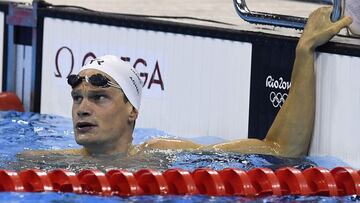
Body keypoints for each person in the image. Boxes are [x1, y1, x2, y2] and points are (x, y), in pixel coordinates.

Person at [25, 7, 353, 157]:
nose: (82, 108)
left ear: (132, 111)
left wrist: (304, 51)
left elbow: (282, 151)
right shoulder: (41, 164)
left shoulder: (163, 157)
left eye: (99, 97)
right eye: (77, 97)